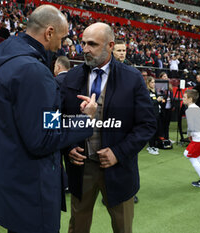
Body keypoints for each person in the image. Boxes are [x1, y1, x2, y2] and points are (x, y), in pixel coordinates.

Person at [0, 5, 97, 233]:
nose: (64, 44)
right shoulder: (34, 71)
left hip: (14, 181)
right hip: (32, 190)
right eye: (62, 36)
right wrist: (85, 121)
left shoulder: (10, 62)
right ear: (49, 33)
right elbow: (44, 139)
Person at [61, 22, 156, 233]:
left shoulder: (132, 78)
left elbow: (147, 125)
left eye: (92, 44)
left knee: (122, 227)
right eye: (83, 43)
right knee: (77, 227)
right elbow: (59, 119)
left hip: (118, 168)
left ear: (110, 45)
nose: (84, 49)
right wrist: (68, 147)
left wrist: (118, 152)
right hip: (81, 167)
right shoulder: (71, 77)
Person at [112, 39, 138, 203]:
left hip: (127, 119)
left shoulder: (130, 70)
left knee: (128, 159)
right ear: (112, 51)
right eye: (118, 50)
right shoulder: (106, 69)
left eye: (124, 50)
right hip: (111, 120)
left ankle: (130, 192)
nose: (122, 53)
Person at [146, 76, 163, 155]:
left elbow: (155, 103)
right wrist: (157, 100)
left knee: (156, 130)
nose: (154, 84)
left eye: (154, 82)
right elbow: (148, 104)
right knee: (151, 131)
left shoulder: (154, 91)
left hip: (156, 113)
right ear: (148, 83)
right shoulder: (147, 91)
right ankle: (150, 146)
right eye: (152, 82)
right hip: (150, 114)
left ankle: (154, 145)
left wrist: (160, 101)